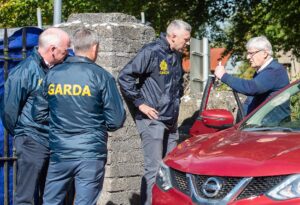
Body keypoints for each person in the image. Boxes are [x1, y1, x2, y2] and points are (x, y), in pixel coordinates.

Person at [32, 28, 126, 205]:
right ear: (95, 47)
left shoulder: (53, 74)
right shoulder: (102, 76)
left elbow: (38, 114)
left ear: (73, 48)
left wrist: (60, 123)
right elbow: (116, 120)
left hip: (60, 152)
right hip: (90, 154)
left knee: (51, 201)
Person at [118, 19, 191, 205]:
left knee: (170, 170)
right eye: (186, 39)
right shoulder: (151, 51)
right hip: (153, 121)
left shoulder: (175, 55)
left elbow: (177, 85)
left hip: (171, 122)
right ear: (173, 36)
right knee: (154, 170)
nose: (188, 43)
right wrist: (140, 104)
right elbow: (125, 76)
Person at [2, 27, 70, 205]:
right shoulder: (24, 72)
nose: (68, 53)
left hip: (56, 141)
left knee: (53, 196)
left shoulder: (64, 68)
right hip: (32, 140)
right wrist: (23, 134)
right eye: (65, 50)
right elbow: (9, 110)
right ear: (52, 50)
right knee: (26, 196)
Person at [214, 36, 289, 115]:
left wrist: (224, 76)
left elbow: (251, 88)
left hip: (272, 125)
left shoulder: (274, 71)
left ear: (264, 53)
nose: (248, 57)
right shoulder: (262, 71)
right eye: (248, 53)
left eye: (251, 53)